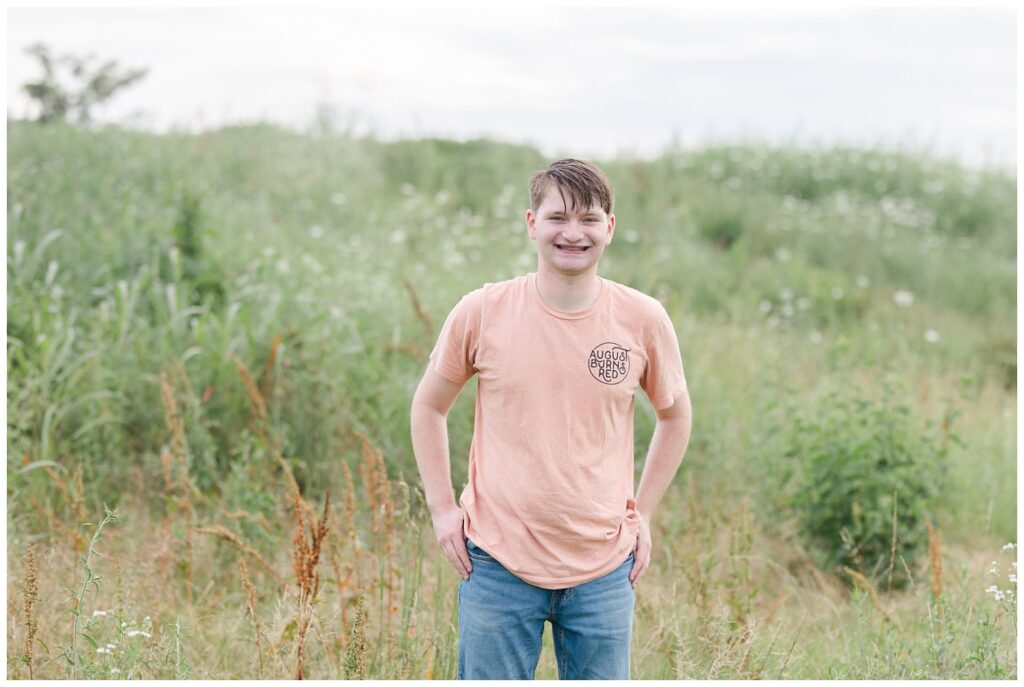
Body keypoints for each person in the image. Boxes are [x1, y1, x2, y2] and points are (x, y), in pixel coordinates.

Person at [410, 158, 692, 680]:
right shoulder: (483, 311)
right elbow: (428, 406)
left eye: (588, 219)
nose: (572, 233)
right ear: (531, 223)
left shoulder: (642, 319)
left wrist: (644, 513)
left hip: (603, 568)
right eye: (558, 216)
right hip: (496, 562)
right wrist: (442, 508)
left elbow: (675, 418)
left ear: (609, 227)